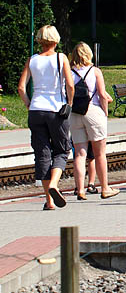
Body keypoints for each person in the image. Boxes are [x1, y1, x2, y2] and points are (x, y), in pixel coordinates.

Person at [17, 25, 73, 210]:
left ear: (40, 40)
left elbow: (21, 88)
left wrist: (28, 103)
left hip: (36, 111)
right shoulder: (60, 58)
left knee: (42, 153)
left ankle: (49, 201)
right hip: (56, 110)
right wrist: (69, 104)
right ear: (56, 40)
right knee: (62, 149)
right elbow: (70, 86)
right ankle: (54, 185)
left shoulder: (32, 60)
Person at [68, 42, 118, 200]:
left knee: (80, 154)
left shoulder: (68, 72)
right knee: (99, 153)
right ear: (89, 54)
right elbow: (102, 94)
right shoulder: (95, 71)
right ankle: (105, 188)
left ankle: (80, 189)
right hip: (93, 111)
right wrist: (105, 113)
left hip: (75, 113)